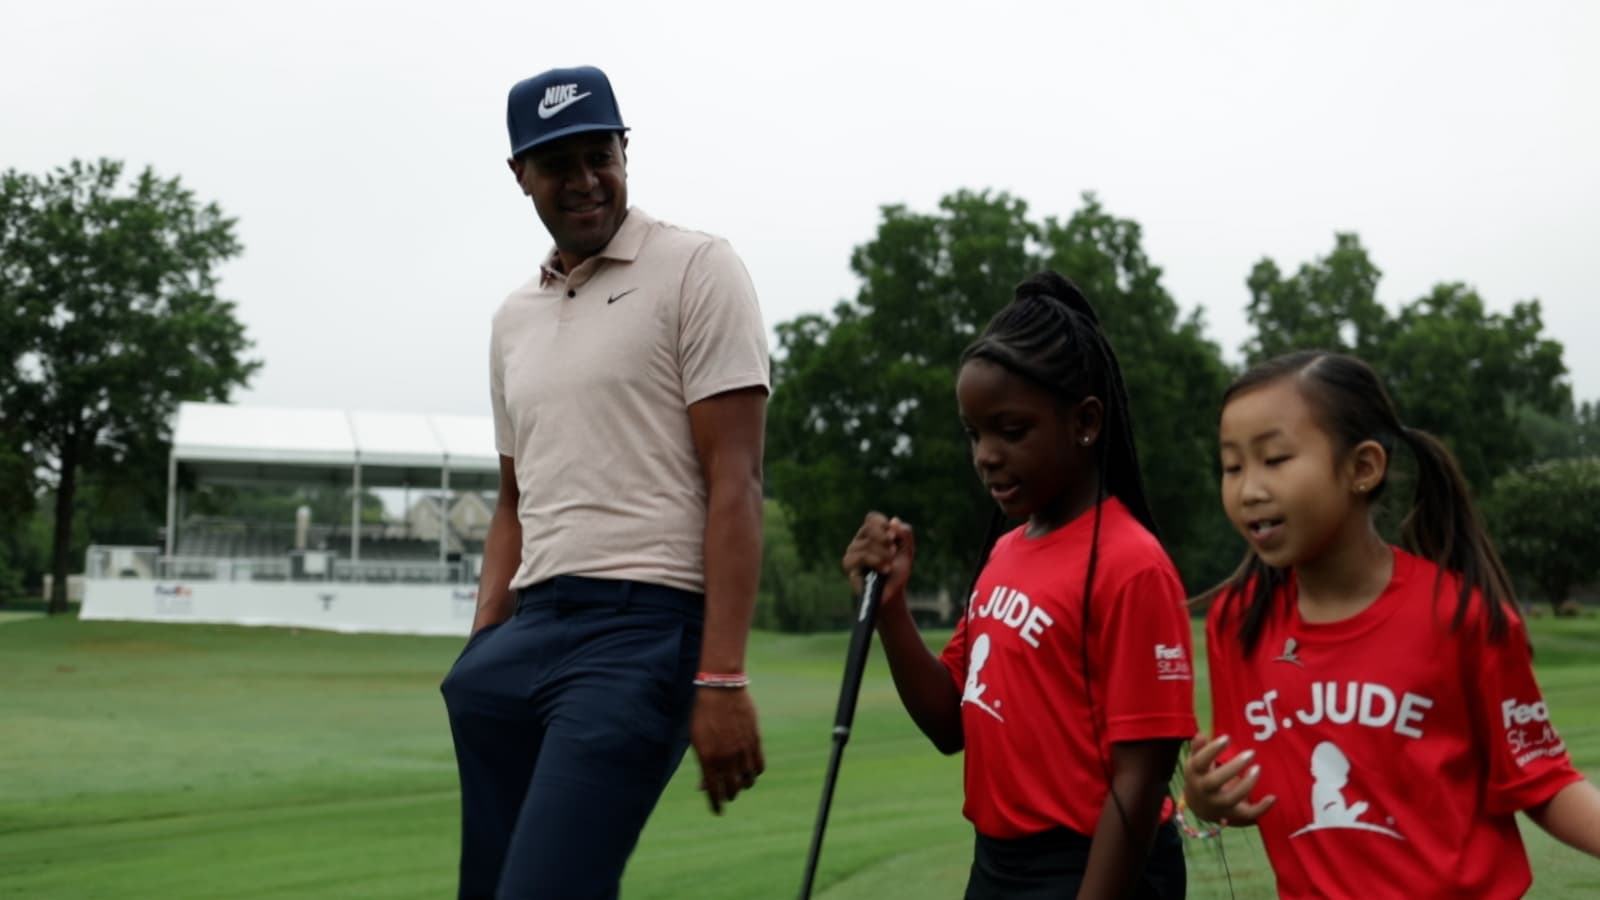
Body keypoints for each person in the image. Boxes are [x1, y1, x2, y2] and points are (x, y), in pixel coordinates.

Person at [439, 65, 770, 900]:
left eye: (602, 155)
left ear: (626, 149)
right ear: (521, 175)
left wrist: (723, 676)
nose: (587, 182)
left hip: (642, 634)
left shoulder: (698, 268)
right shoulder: (513, 318)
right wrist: (483, 645)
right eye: (559, 165)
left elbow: (736, 478)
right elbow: (515, 501)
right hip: (526, 634)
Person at [1183, 350, 1600, 898]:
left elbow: (1542, 783)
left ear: (1362, 468)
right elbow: (1252, 795)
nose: (1248, 489)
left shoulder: (1459, 616)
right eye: (1233, 466)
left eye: (1275, 459)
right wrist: (1210, 799)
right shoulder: (1238, 625)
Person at [841, 272, 1195, 899]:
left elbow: (1140, 781)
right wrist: (891, 609)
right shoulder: (1005, 554)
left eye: (1011, 431)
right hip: (999, 868)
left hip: (1097, 869)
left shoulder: (1131, 564)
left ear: (1085, 422)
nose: (986, 456)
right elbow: (950, 722)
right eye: (974, 434)